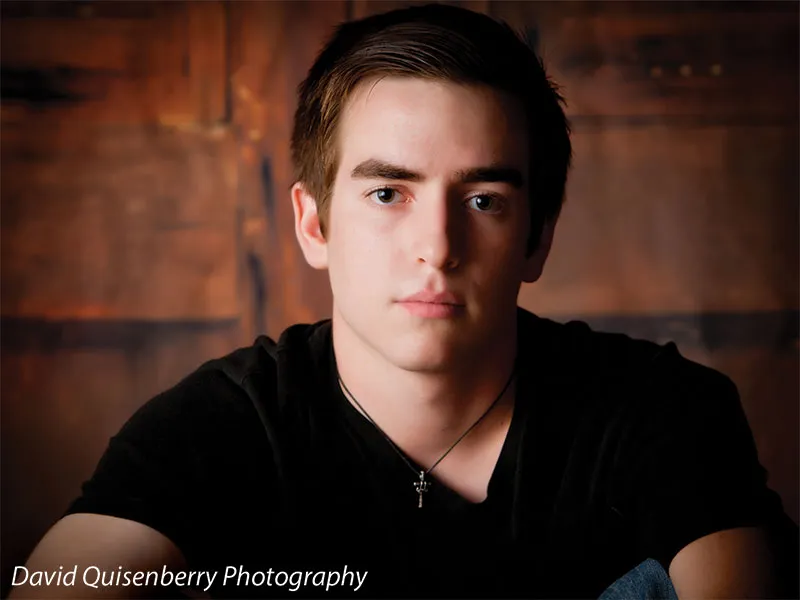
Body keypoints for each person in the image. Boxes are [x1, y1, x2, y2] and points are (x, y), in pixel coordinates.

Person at [9, 4, 797, 599]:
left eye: (484, 200)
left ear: (537, 240)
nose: (439, 246)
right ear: (313, 225)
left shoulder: (659, 411)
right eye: (388, 192)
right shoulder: (222, 426)